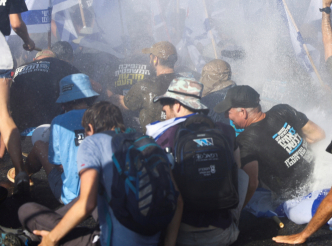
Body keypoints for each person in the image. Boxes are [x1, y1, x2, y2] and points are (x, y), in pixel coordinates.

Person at [18, 101, 183, 246]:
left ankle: (37, 237)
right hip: (152, 235)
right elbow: (178, 200)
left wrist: (51, 240)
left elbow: (86, 204)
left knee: (26, 211)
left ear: (90, 128)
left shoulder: (93, 142)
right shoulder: (147, 142)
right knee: (98, 192)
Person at [148, 78, 247, 246]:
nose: (163, 108)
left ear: (178, 105)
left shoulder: (161, 135)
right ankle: (233, 223)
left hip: (180, 235)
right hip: (222, 234)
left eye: (165, 103)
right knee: (242, 174)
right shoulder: (225, 130)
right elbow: (236, 168)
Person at [214, 85, 325, 207]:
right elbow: (318, 135)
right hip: (321, 178)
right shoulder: (283, 110)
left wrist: (237, 211)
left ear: (243, 112)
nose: (226, 116)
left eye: (228, 112)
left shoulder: (245, 141)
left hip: (293, 199)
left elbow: (252, 184)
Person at [21, 74, 98, 205]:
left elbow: (57, 163)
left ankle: (22, 174)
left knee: (40, 145)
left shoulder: (59, 122)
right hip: (100, 195)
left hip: (71, 197)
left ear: (64, 103)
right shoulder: (102, 116)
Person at [0, 0, 37, 194]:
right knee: (3, 113)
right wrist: (28, 41)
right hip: (0, 50)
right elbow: (15, 23)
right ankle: (21, 172)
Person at [10, 47, 80, 135]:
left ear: (34, 59)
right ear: (56, 59)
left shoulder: (20, 68)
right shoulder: (60, 64)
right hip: (49, 129)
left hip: (19, 130)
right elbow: (82, 84)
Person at [123, 41, 179, 130]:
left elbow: (128, 104)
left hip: (154, 140)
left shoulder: (144, 86)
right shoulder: (188, 83)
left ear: (155, 59)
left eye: (150, 57)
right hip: (181, 136)